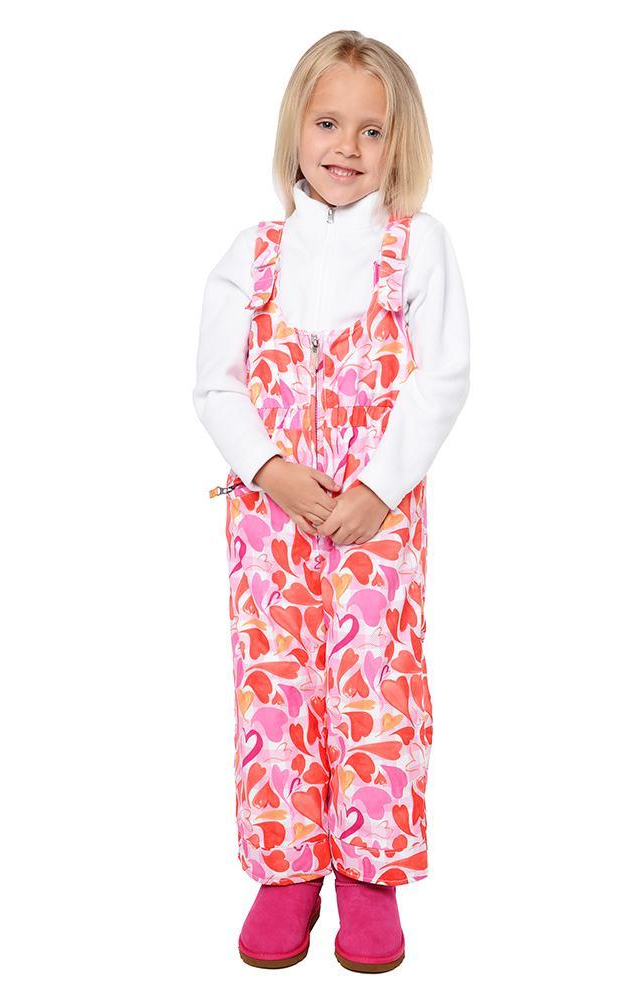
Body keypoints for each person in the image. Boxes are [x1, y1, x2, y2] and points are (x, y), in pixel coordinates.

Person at [192, 29, 470, 973]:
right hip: (271, 522)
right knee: (275, 689)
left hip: (375, 522)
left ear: (399, 144)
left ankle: (368, 871)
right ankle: (286, 867)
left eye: (371, 130)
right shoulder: (253, 253)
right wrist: (270, 470)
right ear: (296, 131)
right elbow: (217, 384)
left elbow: (441, 378)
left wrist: (378, 487)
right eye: (327, 123)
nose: (347, 146)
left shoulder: (416, 249)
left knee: (375, 687)